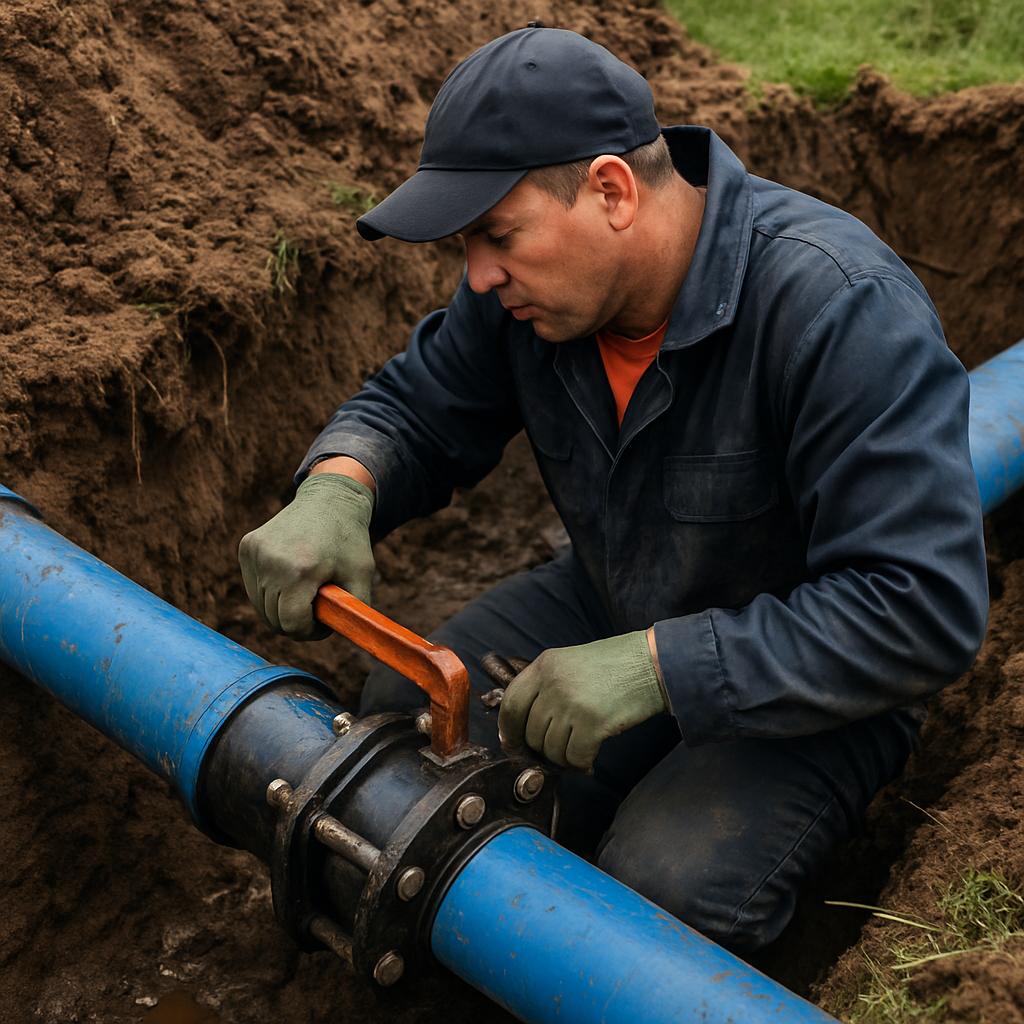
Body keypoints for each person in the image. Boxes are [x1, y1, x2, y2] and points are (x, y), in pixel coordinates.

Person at [238, 27, 988, 953]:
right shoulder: (527, 292)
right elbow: (420, 407)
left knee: (655, 898)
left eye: (496, 236)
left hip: (817, 678)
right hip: (617, 589)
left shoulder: (838, 307)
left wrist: (661, 669)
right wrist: (339, 486)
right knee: (403, 722)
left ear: (611, 190)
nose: (477, 275)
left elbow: (924, 606)